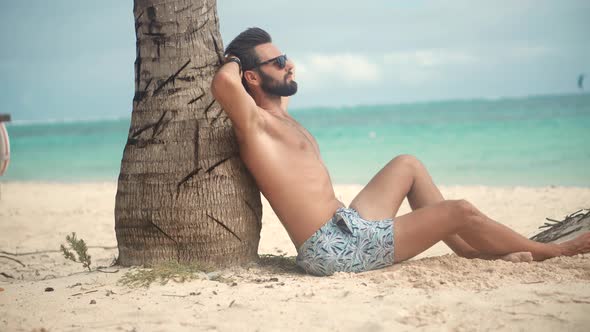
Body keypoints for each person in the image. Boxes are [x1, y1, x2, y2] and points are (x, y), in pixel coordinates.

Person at [211, 27, 590, 276]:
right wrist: (236, 59)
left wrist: (267, 62)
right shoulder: (255, 124)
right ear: (252, 77)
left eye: (286, 57)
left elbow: (271, 83)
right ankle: (553, 253)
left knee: (407, 164)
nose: (290, 64)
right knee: (461, 210)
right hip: (332, 247)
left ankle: (466, 251)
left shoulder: (282, 117)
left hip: (348, 225)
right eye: (278, 62)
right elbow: (223, 83)